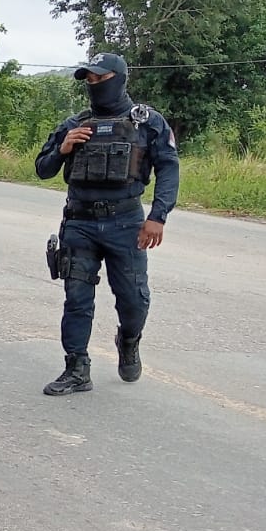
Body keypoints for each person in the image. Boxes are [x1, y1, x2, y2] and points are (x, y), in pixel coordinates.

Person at [36, 53, 179, 395]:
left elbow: (169, 167)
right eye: (89, 80)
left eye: (100, 79)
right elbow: (42, 168)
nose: (94, 85)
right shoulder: (73, 124)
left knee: (133, 299)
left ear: (119, 78)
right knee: (76, 298)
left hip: (126, 223)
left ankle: (129, 338)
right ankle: (76, 369)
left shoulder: (147, 122)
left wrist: (157, 216)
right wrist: (63, 149)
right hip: (80, 222)